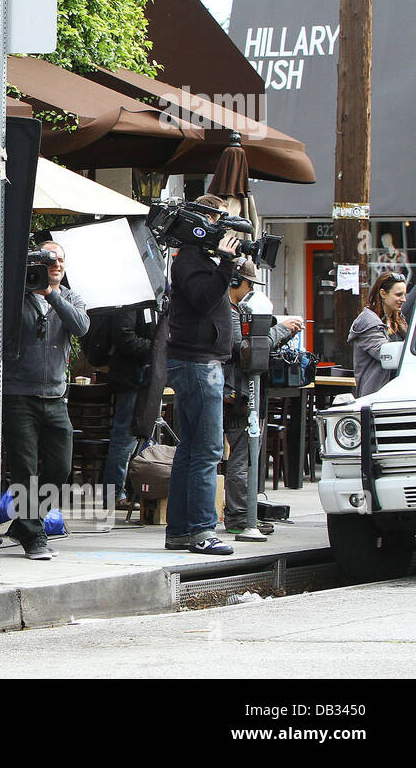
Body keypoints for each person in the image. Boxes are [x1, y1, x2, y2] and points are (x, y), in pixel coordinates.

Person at [165, 194, 243, 555]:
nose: (219, 229)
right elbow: (202, 299)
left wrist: (229, 262)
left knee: (192, 449)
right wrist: (225, 265)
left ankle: (181, 530)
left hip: (198, 362)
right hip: (198, 364)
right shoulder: (192, 258)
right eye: (215, 221)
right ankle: (200, 529)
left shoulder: (196, 257)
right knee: (207, 449)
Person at [2, 240, 89, 560]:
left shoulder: (69, 297)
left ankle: (27, 522)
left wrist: (52, 294)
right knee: (24, 467)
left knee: (61, 466)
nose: (56, 264)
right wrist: (25, 287)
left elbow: (81, 326)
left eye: (61, 259)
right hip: (18, 395)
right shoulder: (17, 296)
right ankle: (34, 537)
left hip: (55, 396)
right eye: (49, 259)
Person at [223, 257, 304, 534]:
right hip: (237, 394)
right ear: (235, 282)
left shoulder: (235, 309)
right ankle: (239, 517)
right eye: (248, 283)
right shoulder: (228, 311)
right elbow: (243, 346)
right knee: (242, 457)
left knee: (245, 455)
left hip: (241, 392)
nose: (250, 290)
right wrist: (281, 329)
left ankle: (243, 514)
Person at [102, 306, 157, 507]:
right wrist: (156, 347)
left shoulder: (152, 302)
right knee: (125, 438)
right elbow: (124, 337)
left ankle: (132, 492)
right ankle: (115, 493)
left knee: (139, 439)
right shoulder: (130, 302)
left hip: (145, 378)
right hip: (131, 378)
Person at [350, 271, 408, 398]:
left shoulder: (398, 320)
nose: (404, 299)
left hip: (397, 393)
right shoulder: (367, 321)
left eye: (404, 294)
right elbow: (386, 355)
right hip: (376, 397)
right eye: (398, 295)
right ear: (383, 293)